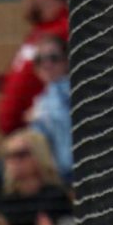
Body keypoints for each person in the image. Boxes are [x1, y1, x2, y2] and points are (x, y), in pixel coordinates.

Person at [0, 0, 70, 137]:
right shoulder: (37, 32)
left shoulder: (66, 28)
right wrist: (7, 83)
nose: (23, 2)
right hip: (24, 139)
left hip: (48, 133)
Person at [0, 130, 73, 225]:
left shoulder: (57, 197)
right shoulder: (4, 202)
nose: (13, 161)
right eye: (8, 155)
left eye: (21, 154)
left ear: (38, 154)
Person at [27, 35, 72, 184]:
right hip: (57, 180)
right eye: (40, 60)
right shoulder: (42, 99)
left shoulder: (70, 91)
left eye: (53, 58)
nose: (47, 64)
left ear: (66, 61)